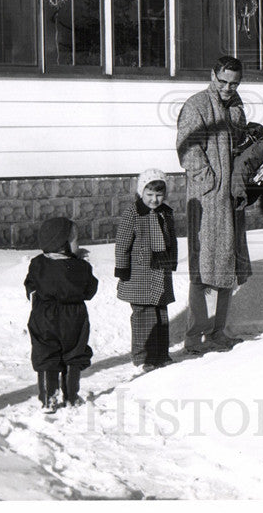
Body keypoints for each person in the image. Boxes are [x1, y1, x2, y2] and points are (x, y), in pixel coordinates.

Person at [176, 55, 251, 354]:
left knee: (227, 265)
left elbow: (237, 143)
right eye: (223, 82)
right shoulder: (196, 105)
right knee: (205, 268)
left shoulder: (236, 106)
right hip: (208, 199)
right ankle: (195, 337)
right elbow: (187, 149)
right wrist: (210, 183)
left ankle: (218, 332)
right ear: (212, 75)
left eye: (234, 83)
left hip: (230, 197)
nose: (228, 88)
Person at [24, 217, 98, 412]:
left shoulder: (37, 263)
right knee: (73, 354)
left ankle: (49, 398)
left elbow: (30, 285)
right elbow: (90, 291)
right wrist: (81, 263)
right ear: (62, 243)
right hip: (73, 317)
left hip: (43, 315)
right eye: (76, 240)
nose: (79, 243)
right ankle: (71, 397)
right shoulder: (81, 267)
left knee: (46, 354)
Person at [114, 169, 179, 373]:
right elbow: (122, 243)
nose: (154, 199)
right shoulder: (132, 213)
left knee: (161, 313)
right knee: (143, 314)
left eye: (159, 195)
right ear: (141, 192)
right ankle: (143, 357)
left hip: (160, 269)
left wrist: (172, 261)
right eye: (149, 195)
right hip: (138, 274)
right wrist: (122, 267)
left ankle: (161, 354)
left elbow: (172, 240)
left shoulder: (166, 213)